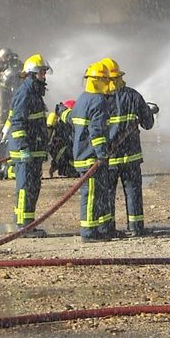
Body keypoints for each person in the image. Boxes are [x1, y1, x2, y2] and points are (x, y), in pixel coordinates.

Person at [100, 57, 157, 237]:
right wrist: (148, 113)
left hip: (107, 158)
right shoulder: (133, 96)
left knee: (107, 194)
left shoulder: (99, 99)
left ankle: (108, 228)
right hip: (131, 157)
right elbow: (148, 124)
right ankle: (136, 227)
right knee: (133, 192)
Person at [6, 53, 52, 235]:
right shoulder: (25, 93)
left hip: (34, 150)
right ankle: (24, 226)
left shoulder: (33, 92)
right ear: (32, 74)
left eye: (44, 72)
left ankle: (27, 223)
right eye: (41, 72)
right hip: (26, 151)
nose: (44, 76)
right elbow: (17, 123)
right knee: (25, 187)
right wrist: (23, 148)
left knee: (32, 188)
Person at [69, 62, 115, 241]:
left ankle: (102, 228)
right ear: (98, 80)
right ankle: (88, 232)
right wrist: (102, 153)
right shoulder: (98, 101)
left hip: (82, 153)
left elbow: (72, 120)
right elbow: (97, 132)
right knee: (91, 195)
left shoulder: (82, 98)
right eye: (105, 80)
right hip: (91, 156)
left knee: (100, 194)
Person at [46, 99, 77, 178]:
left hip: (69, 165)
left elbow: (58, 149)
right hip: (71, 164)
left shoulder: (64, 127)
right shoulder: (73, 125)